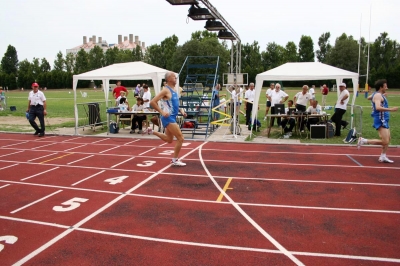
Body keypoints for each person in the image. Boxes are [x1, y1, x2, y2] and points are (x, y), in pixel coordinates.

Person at [145, 71, 187, 166]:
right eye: (173, 76)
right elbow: (152, 102)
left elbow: (175, 104)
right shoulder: (165, 90)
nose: (175, 77)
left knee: (169, 139)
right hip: (168, 118)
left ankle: (152, 131)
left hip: (172, 117)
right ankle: (175, 160)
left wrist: (181, 111)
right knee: (180, 138)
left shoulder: (174, 90)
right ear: (168, 79)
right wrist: (162, 112)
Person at [358, 79, 398, 163]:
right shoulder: (378, 96)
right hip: (381, 119)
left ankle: (383, 156)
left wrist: (379, 95)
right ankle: (363, 140)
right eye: (385, 86)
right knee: (385, 141)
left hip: (384, 119)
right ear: (381, 87)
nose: (387, 87)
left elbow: (369, 97)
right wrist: (391, 109)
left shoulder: (377, 95)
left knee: (388, 139)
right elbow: (378, 107)